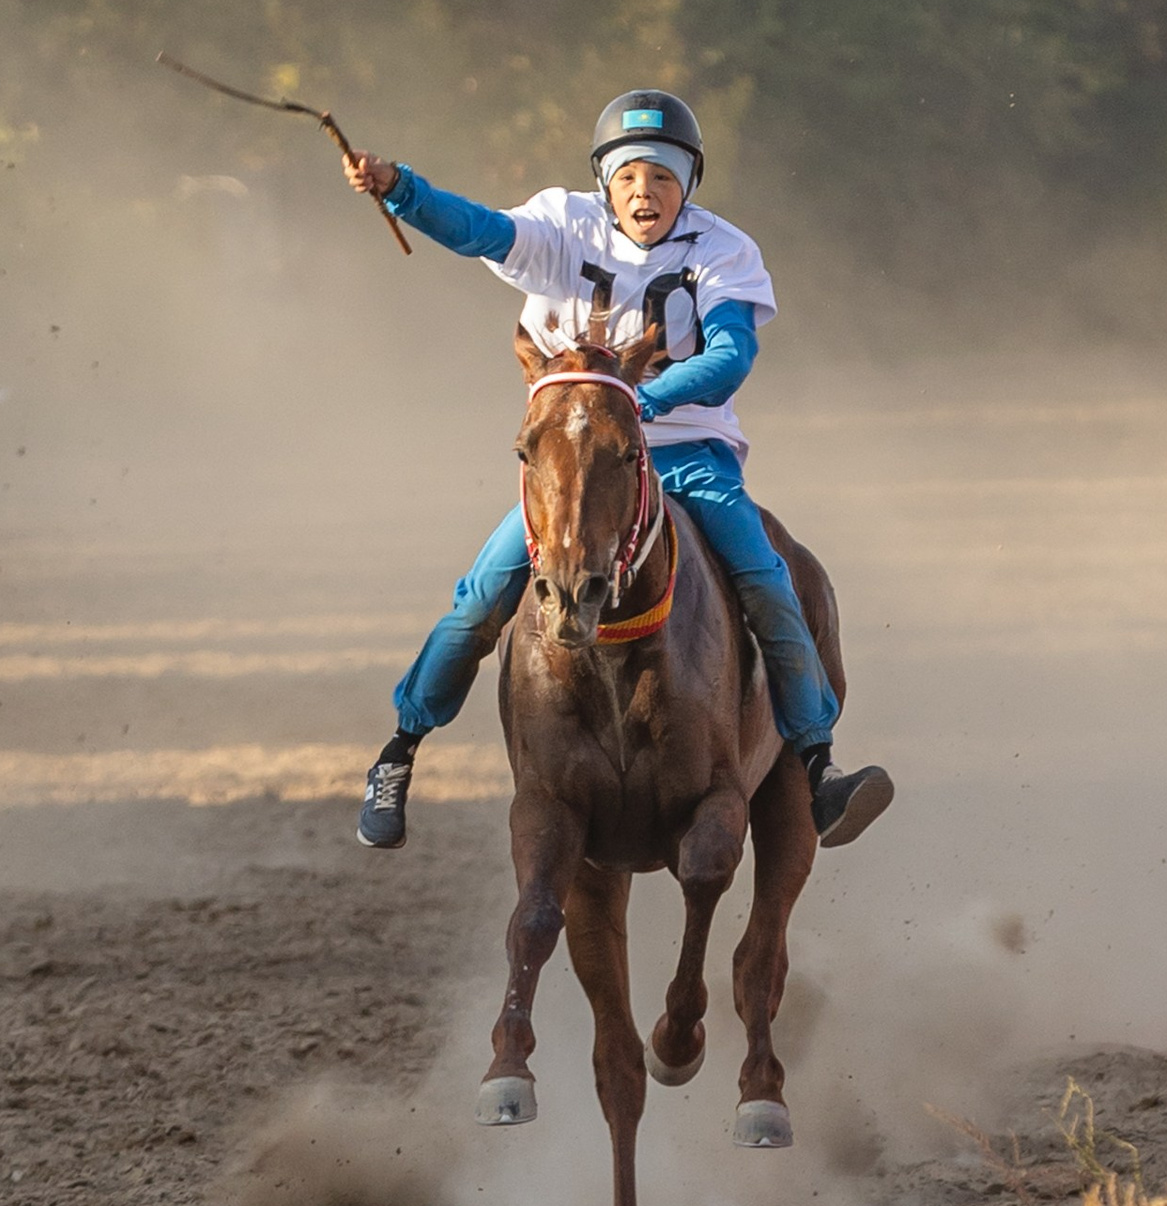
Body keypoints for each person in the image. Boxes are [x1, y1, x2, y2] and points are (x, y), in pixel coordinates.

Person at [346, 88, 892, 854]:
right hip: (574, 462)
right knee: (479, 601)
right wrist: (402, 190)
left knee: (768, 581)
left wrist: (642, 402)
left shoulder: (724, 251)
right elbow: (478, 231)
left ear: (689, 187)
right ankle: (400, 751)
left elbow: (731, 354)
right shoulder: (560, 224)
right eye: (631, 176)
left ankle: (816, 766)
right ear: (606, 183)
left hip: (686, 452)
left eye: (665, 178)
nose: (647, 192)